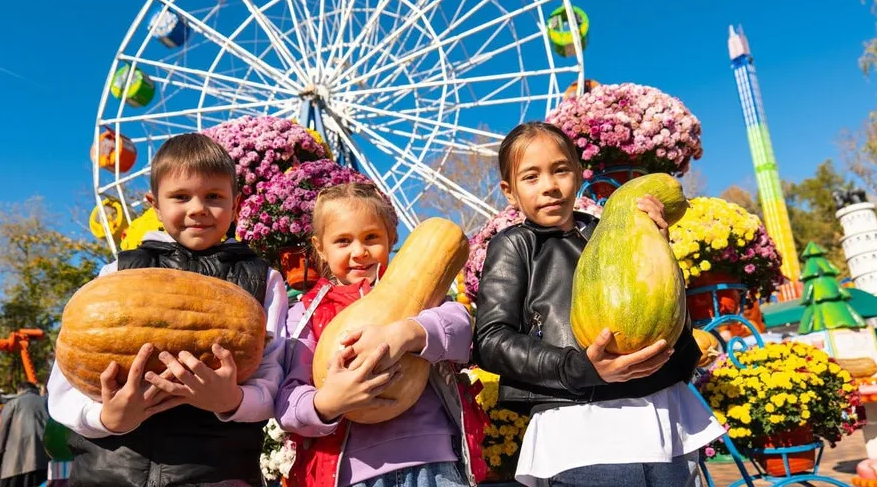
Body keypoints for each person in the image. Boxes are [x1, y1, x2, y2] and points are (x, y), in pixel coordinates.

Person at [472, 121, 724, 487]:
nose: (549, 186)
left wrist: (659, 245)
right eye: (531, 176)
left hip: (662, 418)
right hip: (583, 433)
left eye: (560, 170)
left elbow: (669, 313)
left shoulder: (614, 228)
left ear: (578, 174)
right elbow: (491, 341)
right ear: (510, 192)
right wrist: (579, 369)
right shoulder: (514, 245)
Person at [47, 133, 288, 487]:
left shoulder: (263, 280)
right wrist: (107, 417)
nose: (198, 208)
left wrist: (233, 400)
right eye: (180, 197)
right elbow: (65, 388)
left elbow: (273, 381)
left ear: (236, 205)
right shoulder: (119, 272)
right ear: (155, 206)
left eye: (214, 196)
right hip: (110, 472)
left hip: (216, 475)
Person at [276, 182, 478, 487]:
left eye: (371, 237)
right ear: (320, 248)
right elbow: (287, 400)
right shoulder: (306, 313)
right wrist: (327, 403)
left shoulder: (424, 292)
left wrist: (406, 333)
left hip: (433, 463)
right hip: (352, 474)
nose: (359, 252)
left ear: (392, 238)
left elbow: (463, 331)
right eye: (343, 241)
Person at [0, 382, 49, 487]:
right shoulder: (46, 403)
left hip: (16, 461)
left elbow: (3, 429)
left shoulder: (13, 403)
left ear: (20, 390)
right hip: (44, 460)